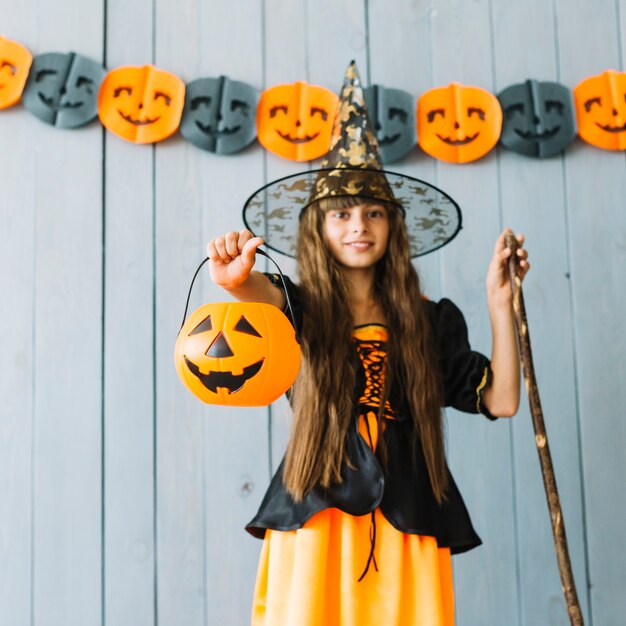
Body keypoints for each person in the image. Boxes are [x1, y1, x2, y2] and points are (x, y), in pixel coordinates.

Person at [206, 62, 530, 625]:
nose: (359, 225)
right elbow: (254, 291)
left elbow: (501, 399)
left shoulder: (430, 323)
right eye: (342, 214)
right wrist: (235, 279)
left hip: (408, 516)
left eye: (374, 212)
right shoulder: (300, 308)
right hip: (316, 513)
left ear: (392, 227)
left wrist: (499, 302)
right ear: (319, 228)